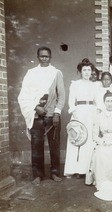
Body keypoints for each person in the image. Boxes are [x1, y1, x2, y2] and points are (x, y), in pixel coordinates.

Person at [18, 46, 65, 185]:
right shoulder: (31, 73)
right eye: (42, 56)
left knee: (54, 146)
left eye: (47, 56)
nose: (44, 58)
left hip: (52, 115)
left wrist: (56, 113)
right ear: (38, 57)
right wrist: (35, 107)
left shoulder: (56, 73)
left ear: (50, 57)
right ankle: (37, 175)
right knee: (36, 146)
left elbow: (61, 95)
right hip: (37, 115)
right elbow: (24, 94)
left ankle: (55, 173)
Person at [64, 58, 99, 182]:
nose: (87, 72)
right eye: (84, 70)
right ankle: (73, 169)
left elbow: (98, 101)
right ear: (80, 71)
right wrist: (76, 115)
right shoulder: (75, 84)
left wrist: (96, 113)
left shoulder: (94, 85)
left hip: (91, 112)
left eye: (89, 70)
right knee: (77, 140)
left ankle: (85, 170)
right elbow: (71, 102)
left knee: (89, 140)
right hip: (79, 112)